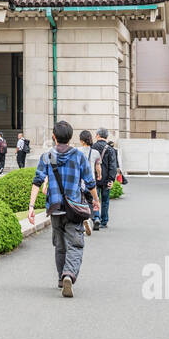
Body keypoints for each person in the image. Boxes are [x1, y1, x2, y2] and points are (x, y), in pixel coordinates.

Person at [26, 120, 99, 298]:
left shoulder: (47, 156)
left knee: (60, 245)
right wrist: (96, 201)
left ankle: (61, 278)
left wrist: (31, 206)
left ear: (54, 136)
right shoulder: (79, 156)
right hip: (74, 209)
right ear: (71, 137)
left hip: (55, 208)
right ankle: (69, 274)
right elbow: (90, 182)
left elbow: (37, 182)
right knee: (75, 244)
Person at [93, 127, 120, 229]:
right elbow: (113, 166)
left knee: (95, 199)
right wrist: (111, 179)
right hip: (106, 179)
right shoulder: (110, 149)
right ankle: (104, 221)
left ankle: (96, 217)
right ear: (106, 136)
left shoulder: (92, 147)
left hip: (94, 178)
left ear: (97, 135)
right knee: (105, 201)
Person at [79, 130, 101, 233]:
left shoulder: (77, 151)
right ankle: (91, 218)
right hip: (91, 180)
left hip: (80, 181)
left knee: (81, 201)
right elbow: (98, 166)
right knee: (91, 201)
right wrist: (99, 175)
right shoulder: (95, 153)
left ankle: (82, 220)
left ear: (82, 140)